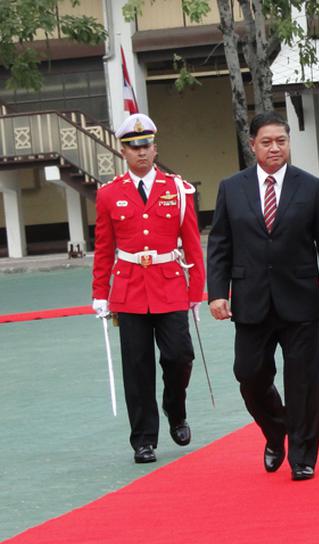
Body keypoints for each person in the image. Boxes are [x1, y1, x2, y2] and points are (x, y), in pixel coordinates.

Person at [207, 112, 319, 481]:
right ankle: (276, 430)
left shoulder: (310, 186)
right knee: (249, 374)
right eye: (266, 142)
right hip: (250, 299)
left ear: (289, 144)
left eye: (281, 141)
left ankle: (303, 457)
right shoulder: (231, 188)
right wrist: (217, 293)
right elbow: (220, 244)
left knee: (302, 381)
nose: (274, 148)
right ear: (252, 145)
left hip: (299, 298)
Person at [91, 113, 204, 464]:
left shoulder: (178, 190)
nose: (141, 153)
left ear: (155, 149)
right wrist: (99, 292)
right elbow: (104, 248)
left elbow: (192, 244)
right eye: (133, 147)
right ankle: (143, 439)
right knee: (137, 367)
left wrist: (196, 290)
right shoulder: (109, 194)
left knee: (179, 356)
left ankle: (175, 408)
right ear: (123, 151)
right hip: (129, 290)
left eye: (146, 146)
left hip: (170, 285)